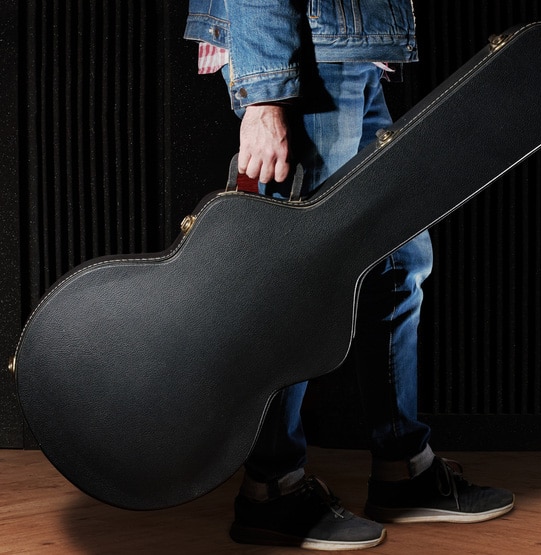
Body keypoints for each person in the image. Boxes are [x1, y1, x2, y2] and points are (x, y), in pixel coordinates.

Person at [184, 1, 514, 550]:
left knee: (399, 262)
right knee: (297, 280)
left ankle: (403, 468)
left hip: (348, 52)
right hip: (304, 58)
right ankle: (272, 489)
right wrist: (265, 96)